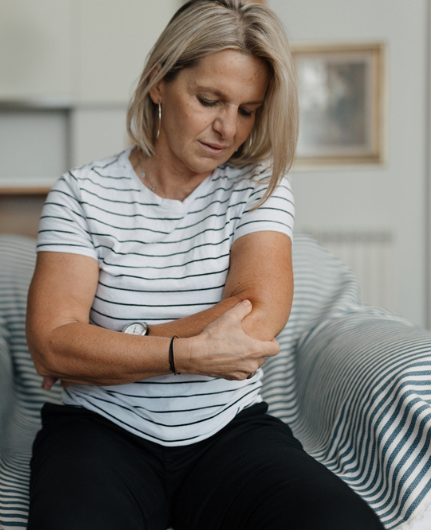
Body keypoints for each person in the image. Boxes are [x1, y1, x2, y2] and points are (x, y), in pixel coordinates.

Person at [24, 1, 386, 529]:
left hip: (229, 430)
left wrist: (120, 342)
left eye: (247, 109)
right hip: (98, 430)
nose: (227, 129)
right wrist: (187, 353)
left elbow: (256, 315)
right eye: (209, 99)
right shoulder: (81, 193)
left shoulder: (259, 186)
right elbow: (50, 343)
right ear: (157, 83)